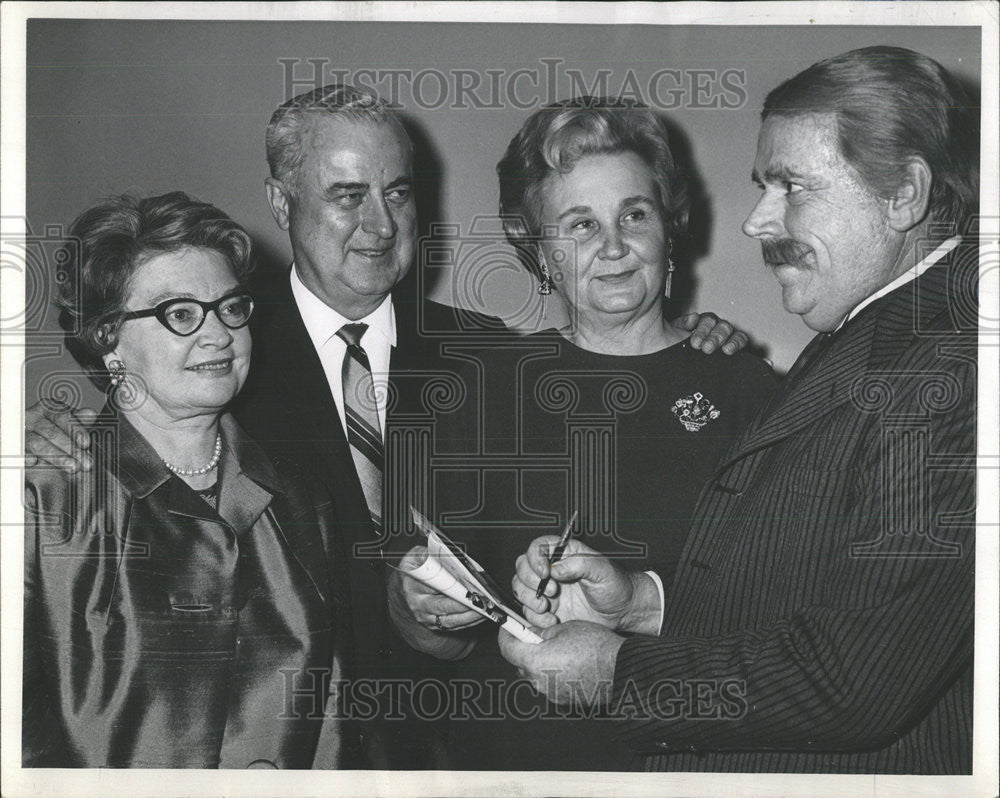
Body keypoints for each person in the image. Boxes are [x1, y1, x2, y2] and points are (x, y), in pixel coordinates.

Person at [24, 84, 747, 768]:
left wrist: (699, 347)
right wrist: (32, 428)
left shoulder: (486, 353)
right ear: (280, 201)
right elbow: (129, 428)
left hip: (455, 749)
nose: (379, 224)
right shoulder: (225, 354)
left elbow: (634, 371)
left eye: (397, 193)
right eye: (347, 197)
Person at [501, 46, 978, 774]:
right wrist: (643, 604)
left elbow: (854, 682)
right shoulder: (867, 338)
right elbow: (792, 587)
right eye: (763, 186)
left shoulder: (951, 370)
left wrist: (618, 671)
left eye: (791, 186)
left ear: (904, 194)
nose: (758, 221)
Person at [387, 97, 777, 770]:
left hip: (690, 761)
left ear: (669, 224)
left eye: (634, 214)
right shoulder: (480, 391)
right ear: (538, 251)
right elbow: (431, 636)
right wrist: (422, 607)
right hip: (508, 764)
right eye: (580, 225)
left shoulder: (749, 393)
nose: (615, 246)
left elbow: (784, 617)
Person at [23, 192, 354, 768]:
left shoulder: (302, 499)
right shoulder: (43, 497)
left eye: (230, 307)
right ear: (107, 338)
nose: (219, 334)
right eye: (180, 314)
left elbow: (332, 726)